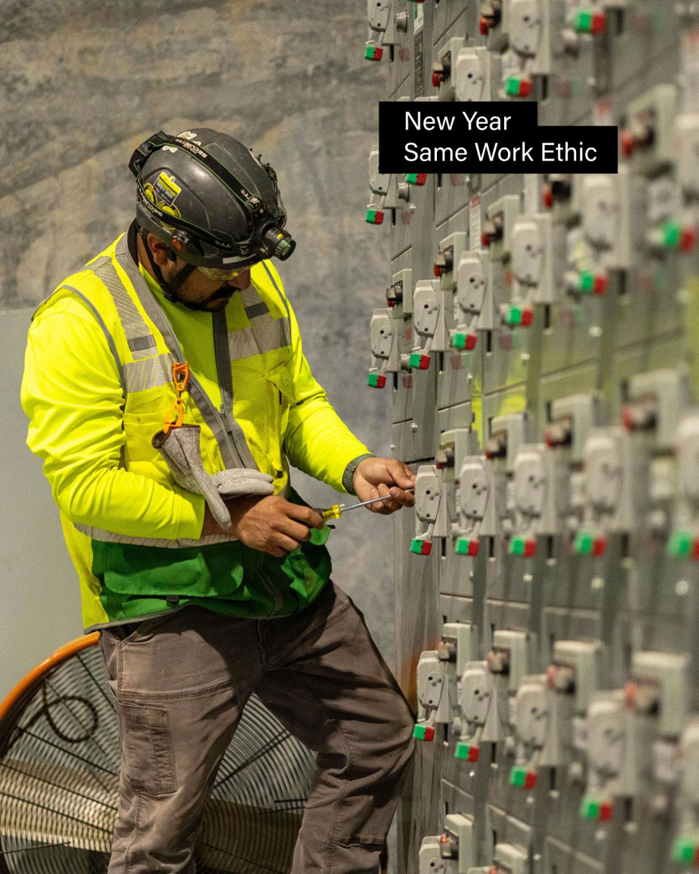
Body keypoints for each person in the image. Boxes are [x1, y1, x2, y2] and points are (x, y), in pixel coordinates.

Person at [21, 128, 416, 874]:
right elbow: (86, 490)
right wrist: (226, 521)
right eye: (223, 272)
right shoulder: (78, 323)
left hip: (283, 583)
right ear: (164, 250)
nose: (243, 286)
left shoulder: (246, 279)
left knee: (375, 739)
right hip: (172, 609)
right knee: (161, 837)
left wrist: (353, 464)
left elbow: (296, 404)